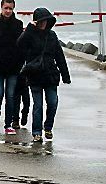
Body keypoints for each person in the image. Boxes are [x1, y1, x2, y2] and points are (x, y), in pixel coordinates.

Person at [18, 8, 71, 142]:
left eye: (45, 21)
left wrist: (66, 75)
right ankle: (36, 132)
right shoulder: (29, 35)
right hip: (34, 74)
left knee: (52, 103)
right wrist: (29, 29)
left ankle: (48, 127)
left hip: (50, 75)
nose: (43, 24)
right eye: (41, 22)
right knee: (38, 105)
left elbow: (59, 56)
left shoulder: (52, 36)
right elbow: (19, 44)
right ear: (36, 22)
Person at [0, 0, 24, 134]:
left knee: (10, 95)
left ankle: (8, 124)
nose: (8, 11)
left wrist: (20, 63)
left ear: (13, 9)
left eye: (10, 8)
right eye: (6, 8)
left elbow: (21, 45)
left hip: (13, 67)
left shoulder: (18, 24)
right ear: (1, 8)